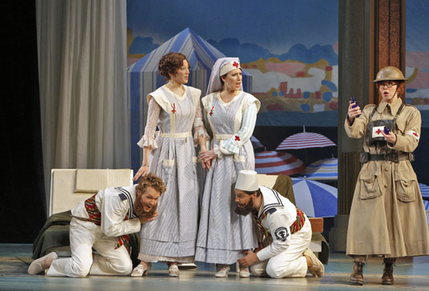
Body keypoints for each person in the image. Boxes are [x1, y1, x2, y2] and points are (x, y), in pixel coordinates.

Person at [345, 66, 429, 286]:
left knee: (396, 221)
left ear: (399, 88)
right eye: (382, 84)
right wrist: (351, 118)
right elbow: (355, 133)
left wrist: (395, 140)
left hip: (398, 170)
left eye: (390, 84)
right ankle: (358, 266)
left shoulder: (411, 113)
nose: (385, 88)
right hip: (372, 172)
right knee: (364, 221)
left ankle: (389, 268)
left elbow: (413, 141)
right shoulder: (369, 111)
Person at [131, 52, 208, 277]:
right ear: (172, 72)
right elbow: (149, 130)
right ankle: (146, 259)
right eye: (183, 68)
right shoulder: (159, 96)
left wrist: (204, 151)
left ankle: (174, 258)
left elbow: (198, 125)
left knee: (182, 203)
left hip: (185, 153)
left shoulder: (194, 94)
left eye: (187, 68)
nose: (187, 72)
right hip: (164, 151)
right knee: (160, 203)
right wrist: (146, 163)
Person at [28, 173, 166, 277]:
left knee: (124, 267)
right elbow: (111, 229)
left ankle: (85, 260)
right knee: (80, 270)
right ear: (139, 191)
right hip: (85, 226)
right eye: (149, 197)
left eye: (155, 198)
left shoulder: (142, 203)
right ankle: (49, 263)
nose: (152, 202)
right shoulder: (118, 198)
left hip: (104, 233)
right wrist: (139, 222)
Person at [195, 57, 259, 278]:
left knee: (241, 205)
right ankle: (222, 261)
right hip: (216, 157)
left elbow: (245, 132)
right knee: (219, 205)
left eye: (240, 74)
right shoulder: (208, 101)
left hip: (238, 155)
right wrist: (205, 150)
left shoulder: (248, 101)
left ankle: (244, 259)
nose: (238, 78)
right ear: (223, 78)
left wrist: (218, 150)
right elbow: (201, 126)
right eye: (234, 75)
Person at [234, 170, 324, 278]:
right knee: (256, 269)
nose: (236, 200)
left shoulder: (276, 212)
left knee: (275, 270)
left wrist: (256, 256)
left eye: (240, 196)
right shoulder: (257, 197)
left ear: (253, 194)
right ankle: (290, 259)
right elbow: (258, 223)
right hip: (275, 234)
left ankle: (308, 260)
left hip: (296, 235)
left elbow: (282, 244)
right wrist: (259, 246)